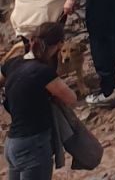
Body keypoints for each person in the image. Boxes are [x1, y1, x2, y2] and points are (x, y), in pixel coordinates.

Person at [2, 21, 77, 180]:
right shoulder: (44, 72)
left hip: (12, 143)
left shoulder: (12, 63)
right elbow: (71, 98)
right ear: (59, 45)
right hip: (33, 144)